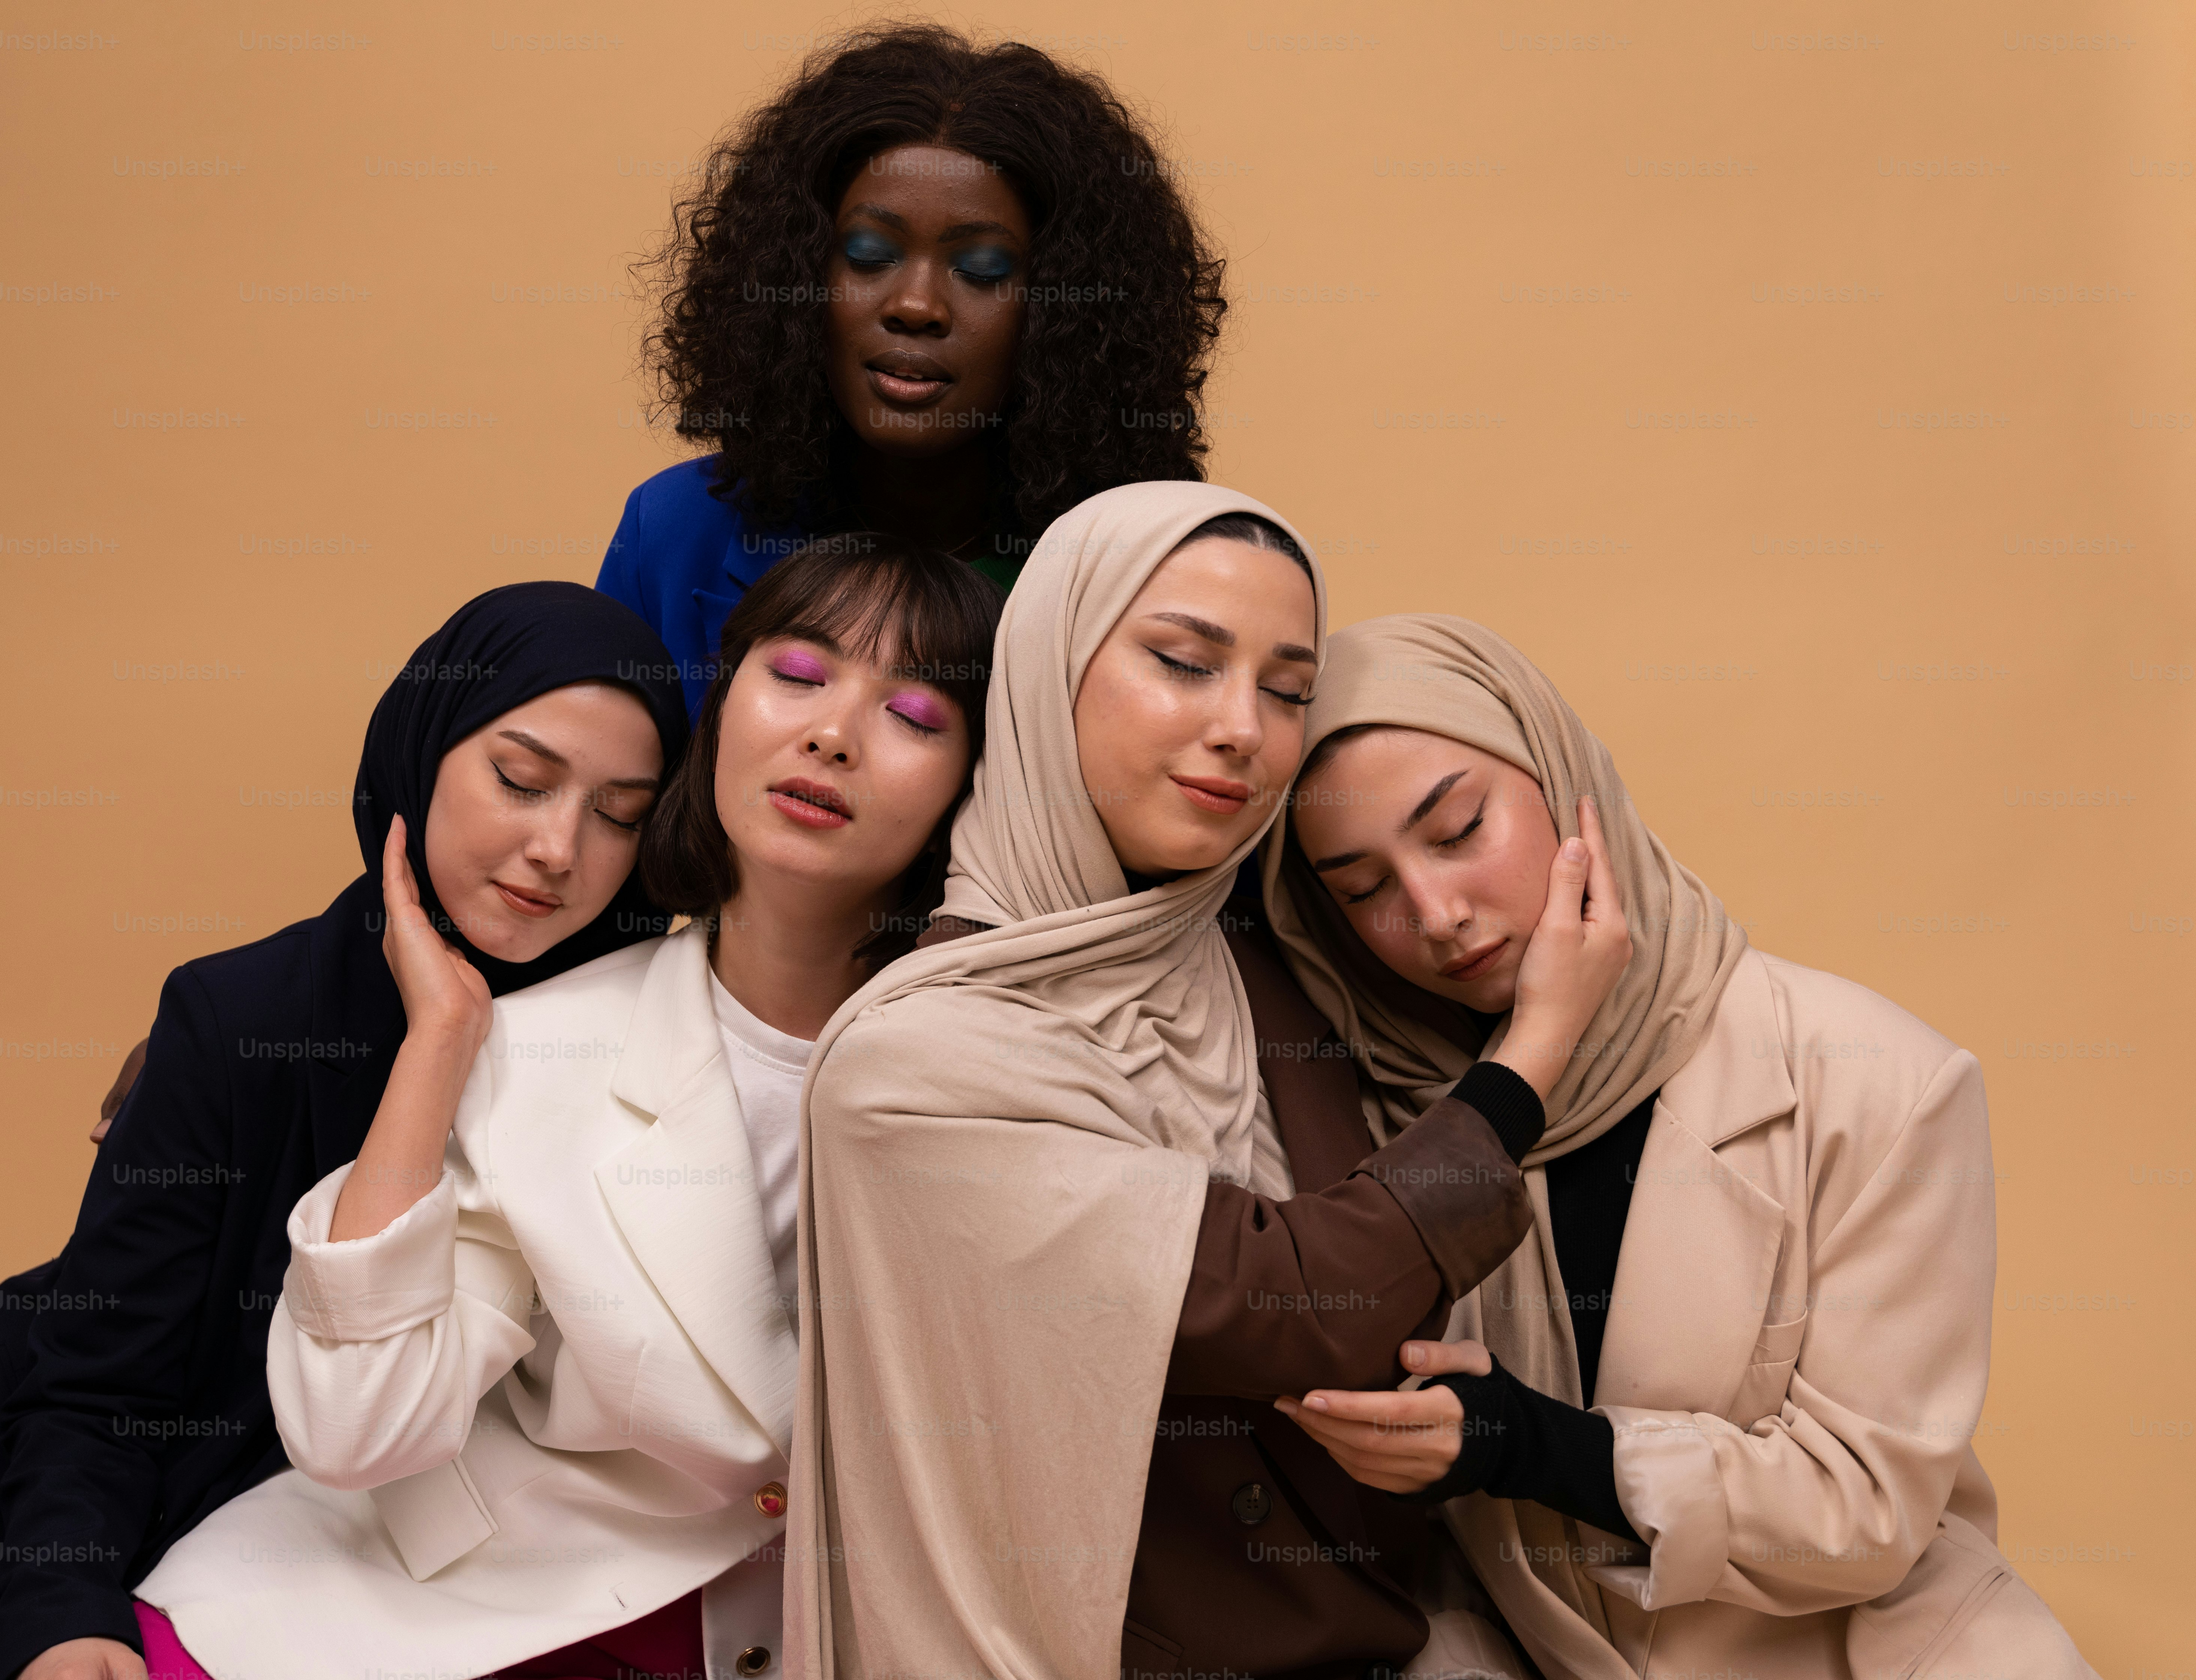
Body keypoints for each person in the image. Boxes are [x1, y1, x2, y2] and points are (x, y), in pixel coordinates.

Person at [0, 584, 690, 1680]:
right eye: (522, 780)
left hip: (265, 1580)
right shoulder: (238, 1015)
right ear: (425, 748)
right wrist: (62, 1611)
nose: (557, 847)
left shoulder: (635, 1069)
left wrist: (448, 1038)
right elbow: (93, 1383)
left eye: (620, 815)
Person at [785, 484, 1634, 1680]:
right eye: (1185, 663)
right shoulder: (914, 1064)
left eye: (1288, 691)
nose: (1246, 728)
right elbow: (1294, 1304)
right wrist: (1534, 1050)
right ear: (1049, 670)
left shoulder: (1267, 970)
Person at [125, 541, 1003, 1680]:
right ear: (721, 711)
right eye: (797, 673)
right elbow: (356, 1429)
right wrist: (442, 1042)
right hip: (451, 1615)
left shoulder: (1000, 1078)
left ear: (973, 788)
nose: (834, 732)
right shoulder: (542, 1049)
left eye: (918, 714)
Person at [1264, 614, 2096, 1680]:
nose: (1434, 914)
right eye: (1363, 890)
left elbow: (1867, 1513)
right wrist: (1530, 1058)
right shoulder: (1373, 1129)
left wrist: (1524, 1443)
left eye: (1460, 827)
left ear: (1568, 783)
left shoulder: (1874, 1077)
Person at [600, 22, 1228, 711]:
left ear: (1066, 314)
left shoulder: (1149, 581)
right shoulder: (674, 532)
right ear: (798, 275)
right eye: (869, 255)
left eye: (981, 269)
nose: (916, 305)